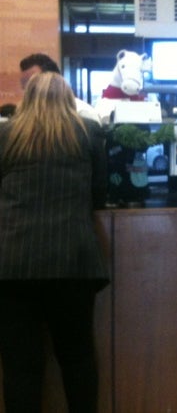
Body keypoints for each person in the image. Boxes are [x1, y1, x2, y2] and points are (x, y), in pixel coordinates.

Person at [0, 72, 109, 413]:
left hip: (13, 262)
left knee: (19, 365)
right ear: (69, 99)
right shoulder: (88, 132)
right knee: (77, 358)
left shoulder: (5, 135)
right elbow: (99, 195)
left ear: (27, 99)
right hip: (72, 260)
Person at [20, 53, 102, 125]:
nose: (28, 90)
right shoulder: (23, 117)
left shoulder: (83, 113)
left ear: (53, 80)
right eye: (24, 85)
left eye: (33, 83)